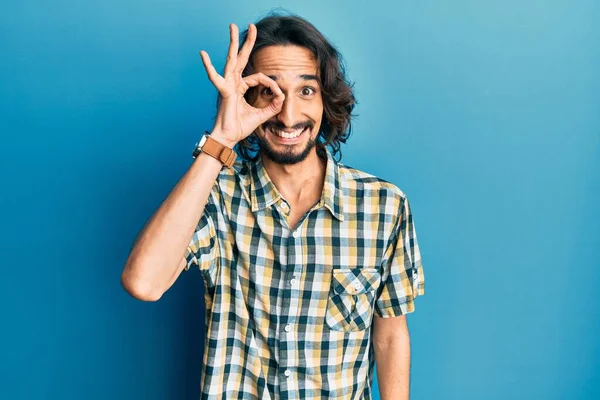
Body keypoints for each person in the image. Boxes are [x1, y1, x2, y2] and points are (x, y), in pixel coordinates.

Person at [122, 13, 425, 400]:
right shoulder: (216, 195)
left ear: (326, 99)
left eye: (306, 91)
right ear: (248, 98)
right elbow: (143, 283)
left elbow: (390, 334)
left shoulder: (384, 206)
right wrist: (222, 137)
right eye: (269, 91)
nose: (288, 115)